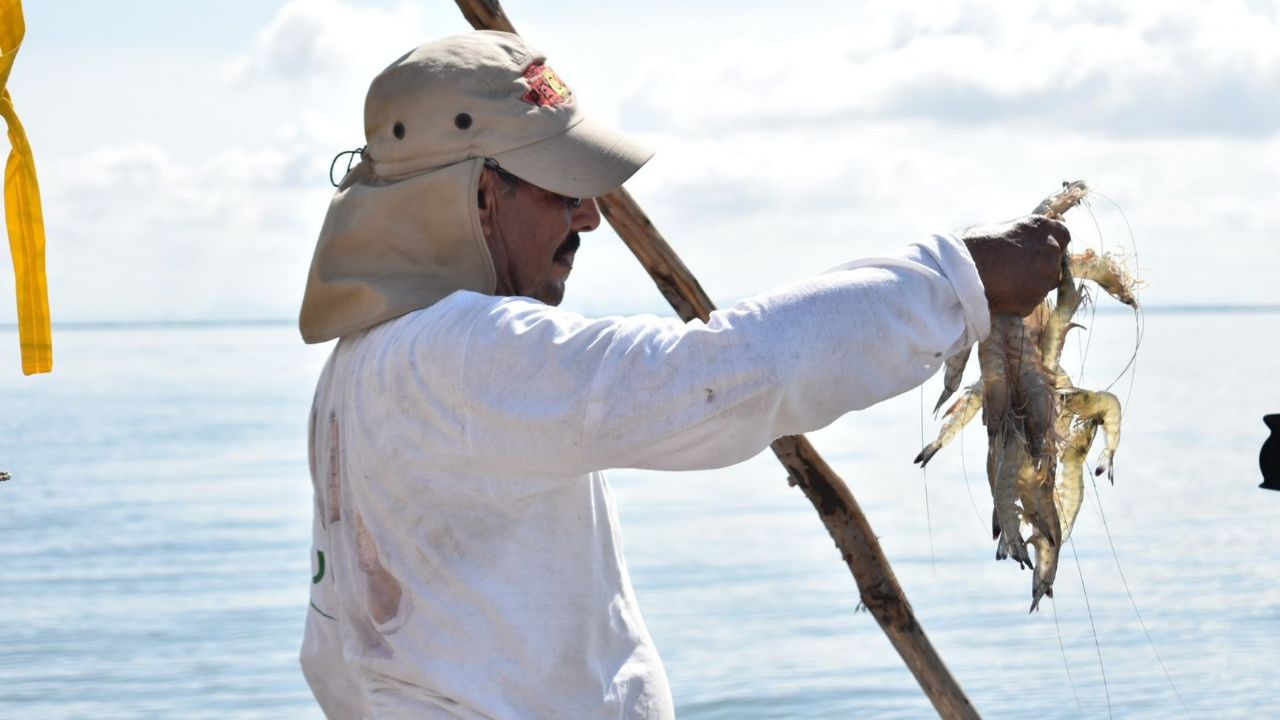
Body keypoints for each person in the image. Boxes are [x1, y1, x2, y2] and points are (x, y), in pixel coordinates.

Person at [297, 31, 1068, 720]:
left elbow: (341, 653)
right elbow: (717, 380)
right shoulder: (458, 355)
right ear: (478, 195)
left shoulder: (363, 367)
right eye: (560, 187)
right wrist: (958, 279)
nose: (589, 217)